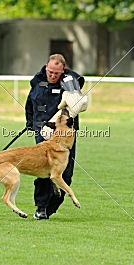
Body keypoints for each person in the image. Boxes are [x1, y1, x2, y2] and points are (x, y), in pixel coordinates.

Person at [25, 54, 85, 219]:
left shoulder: (69, 81)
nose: (52, 75)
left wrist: (71, 82)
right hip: (43, 131)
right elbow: (30, 103)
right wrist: (30, 122)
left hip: (65, 135)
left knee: (66, 175)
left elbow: (77, 101)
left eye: (56, 73)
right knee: (43, 171)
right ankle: (41, 208)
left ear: (63, 71)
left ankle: (52, 207)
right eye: (50, 71)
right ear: (46, 67)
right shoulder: (37, 81)